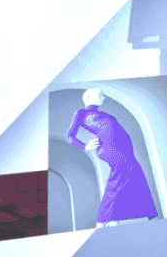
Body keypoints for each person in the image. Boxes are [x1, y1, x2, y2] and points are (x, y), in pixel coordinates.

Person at [67, 88, 158, 225]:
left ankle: (118, 218)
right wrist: (84, 146)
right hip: (110, 149)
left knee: (135, 176)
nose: (104, 98)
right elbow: (70, 136)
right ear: (89, 97)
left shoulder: (106, 115)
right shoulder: (81, 113)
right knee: (118, 180)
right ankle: (105, 219)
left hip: (124, 151)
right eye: (100, 95)